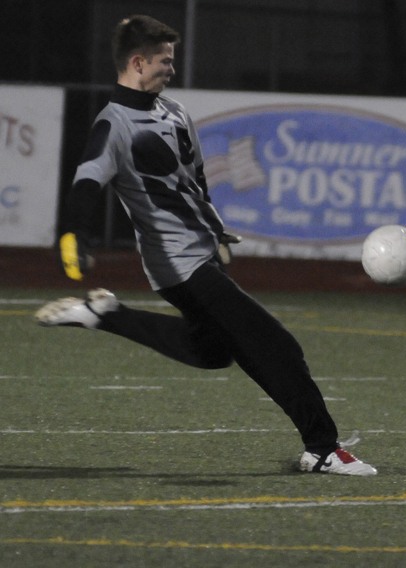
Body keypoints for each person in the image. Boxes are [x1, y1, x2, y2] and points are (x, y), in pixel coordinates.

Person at [35, 14, 376, 476]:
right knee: (275, 345)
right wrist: (74, 232)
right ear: (137, 62)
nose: (171, 69)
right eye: (164, 61)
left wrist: (215, 231)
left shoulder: (173, 112)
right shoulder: (113, 124)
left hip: (201, 256)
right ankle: (322, 447)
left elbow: (194, 182)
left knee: (212, 352)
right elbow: (87, 182)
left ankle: (108, 315)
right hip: (176, 266)